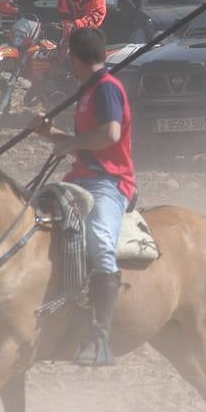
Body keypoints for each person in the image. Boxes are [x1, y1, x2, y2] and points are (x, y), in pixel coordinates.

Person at [30, 26, 134, 368]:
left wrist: (69, 142)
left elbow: (109, 134)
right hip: (81, 178)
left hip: (109, 182)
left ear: (74, 58)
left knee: (100, 244)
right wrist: (51, 134)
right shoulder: (88, 90)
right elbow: (84, 142)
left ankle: (99, 333)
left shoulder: (106, 89)